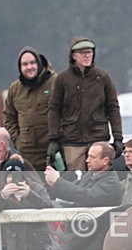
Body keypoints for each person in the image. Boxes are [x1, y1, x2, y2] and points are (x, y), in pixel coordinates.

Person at [47, 37, 123, 171]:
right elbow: (54, 109)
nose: (87, 55)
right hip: (72, 142)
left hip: (99, 139)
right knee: (76, 182)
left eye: (90, 52)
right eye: (83, 52)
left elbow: (113, 108)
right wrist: (53, 139)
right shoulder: (62, 79)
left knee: (100, 179)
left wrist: (118, 137)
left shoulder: (103, 77)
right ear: (73, 55)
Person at [2, 46, 57, 172]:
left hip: (52, 149)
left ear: (39, 63)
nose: (29, 67)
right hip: (27, 152)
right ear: (20, 67)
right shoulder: (15, 89)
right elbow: (8, 117)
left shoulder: (55, 82)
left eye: (32, 63)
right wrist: (18, 141)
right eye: (25, 64)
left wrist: (58, 140)